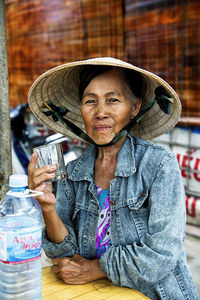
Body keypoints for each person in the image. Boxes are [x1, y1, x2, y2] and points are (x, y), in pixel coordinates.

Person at [28, 57, 199, 299]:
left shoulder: (158, 164)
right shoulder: (73, 172)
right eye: (90, 101)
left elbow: (162, 254)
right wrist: (47, 208)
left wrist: (93, 268)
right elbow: (65, 256)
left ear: (135, 107)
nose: (100, 113)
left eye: (113, 100)